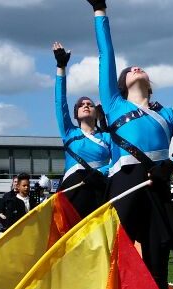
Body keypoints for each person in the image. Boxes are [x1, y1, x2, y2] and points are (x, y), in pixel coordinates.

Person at [90, 0, 173, 289]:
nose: (135, 68)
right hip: (124, 185)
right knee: (116, 258)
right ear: (121, 84)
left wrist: (171, 166)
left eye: (139, 68)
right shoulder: (115, 104)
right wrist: (100, 12)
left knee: (158, 265)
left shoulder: (169, 114)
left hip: (157, 186)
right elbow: (107, 56)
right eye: (129, 70)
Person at [51, 42, 112, 217]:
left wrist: (98, 173)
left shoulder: (107, 137)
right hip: (72, 193)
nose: (86, 105)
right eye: (81, 105)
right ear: (75, 114)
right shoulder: (69, 133)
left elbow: (116, 162)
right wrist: (61, 68)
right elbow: (59, 102)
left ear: (96, 111)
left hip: (100, 192)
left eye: (90, 104)